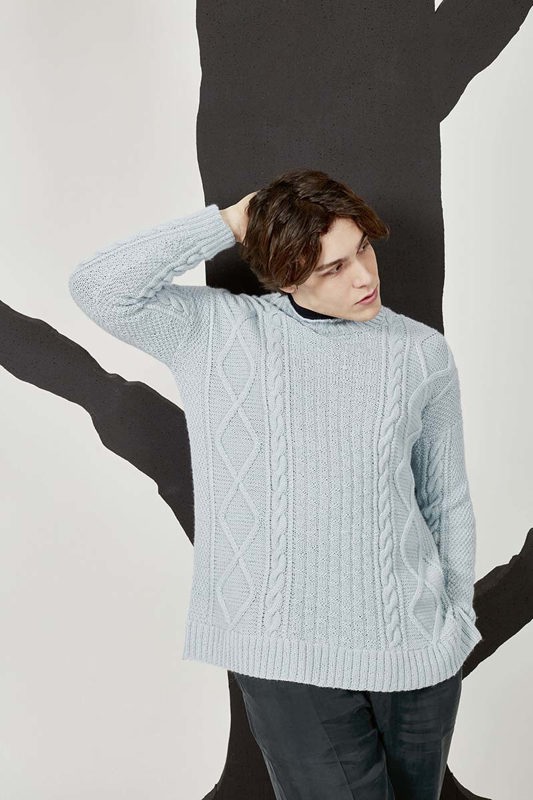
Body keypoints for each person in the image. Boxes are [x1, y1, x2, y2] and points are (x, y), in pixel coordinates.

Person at [69, 168, 481, 800]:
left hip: (418, 650)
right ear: (286, 276)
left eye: (362, 249)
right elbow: (100, 287)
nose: (364, 277)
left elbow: (444, 498)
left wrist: (455, 617)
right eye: (333, 268)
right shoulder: (218, 334)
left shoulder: (420, 353)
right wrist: (232, 221)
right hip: (287, 657)